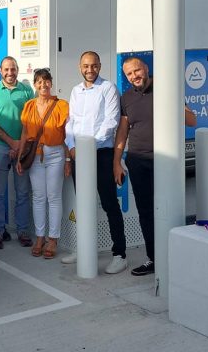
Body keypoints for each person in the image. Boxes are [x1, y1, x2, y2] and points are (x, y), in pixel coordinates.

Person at [113, 57, 197, 276]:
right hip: (137, 160)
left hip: (165, 160)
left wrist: (173, 99)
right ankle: (154, 259)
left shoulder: (167, 88)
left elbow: (191, 121)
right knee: (146, 212)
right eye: (129, 74)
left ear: (146, 69)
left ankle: (175, 258)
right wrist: (117, 162)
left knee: (169, 208)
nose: (134, 76)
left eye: (137, 71)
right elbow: (123, 131)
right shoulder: (126, 98)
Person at [63, 51, 127, 274]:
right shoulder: (75, 91)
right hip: (78, 154)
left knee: (110, 204)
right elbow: (71, 123)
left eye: (94, 66)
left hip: (101, 154)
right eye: (85, 66)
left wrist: (89, 146)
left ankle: (120, 254)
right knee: (82, 205)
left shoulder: (108, 88)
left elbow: (111, 121)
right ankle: (83, 250)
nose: (90, 70)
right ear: (80, 67)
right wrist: (71, 145)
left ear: (100, 66)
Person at [17, 68, 70, 259]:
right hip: (35, 155)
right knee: (38, 197)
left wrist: (67, 159)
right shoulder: (29, 105)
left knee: (54, 197)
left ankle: (53, 239)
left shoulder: (62, 105)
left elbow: (67, 135)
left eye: (46, 81)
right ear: (35, 84)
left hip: (55, 153)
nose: (43, 85)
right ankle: (40, 237)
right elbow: (24, 133)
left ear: (51, 83)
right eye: (39, 81)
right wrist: (20, 157)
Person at [0, 56, 35, 249]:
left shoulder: (27, 91)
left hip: (22, 147)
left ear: (17, 69)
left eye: (13, 69)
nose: (10, 73)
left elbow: (29, 121)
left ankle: (23, 230)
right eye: (6, 69)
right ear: (0, 71)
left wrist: (19, 145)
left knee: (23, 192)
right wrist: (10, 142)